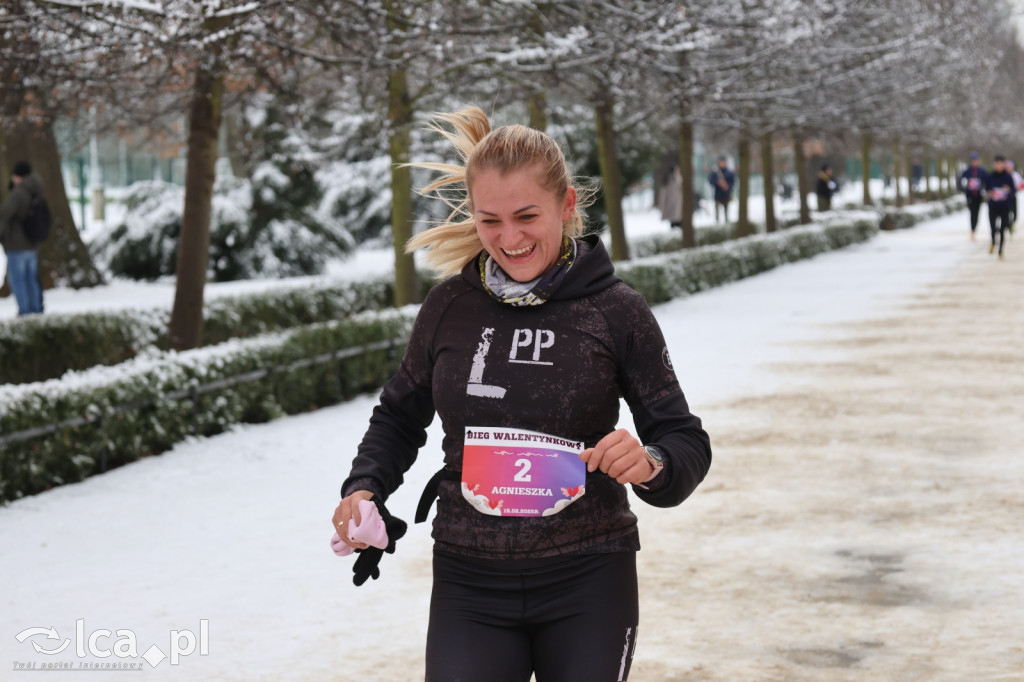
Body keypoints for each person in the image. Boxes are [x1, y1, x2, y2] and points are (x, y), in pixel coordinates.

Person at [331, 106, 712, 682]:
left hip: (589, 577)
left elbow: (684, 439)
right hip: (470, 580)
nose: (509, 238)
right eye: (490, 221)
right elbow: (398, 417)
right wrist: (364, 489)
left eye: (527, 215)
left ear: (566, 205)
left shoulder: (616, 312)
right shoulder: (448, 308)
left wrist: (652, 462)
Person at [0, 161, 45, 315]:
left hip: (16, 244)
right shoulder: (36, 190)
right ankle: (35, 309)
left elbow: (5, 214)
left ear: (18, 176)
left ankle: (25, 311)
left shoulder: (19, 193)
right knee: (31, 279)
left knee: (18, 281)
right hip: (31, 243)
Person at [984, 155, 1014, 258]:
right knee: (993, 227)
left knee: (1002, 229)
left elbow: (1013, 192)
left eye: (1001, 163)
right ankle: (993, 242)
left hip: (1004, 207)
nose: (999, 166)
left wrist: (1008, 191)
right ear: (994, 164)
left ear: (1004, 164)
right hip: (993, 206)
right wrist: (990, 193)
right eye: (997, 163)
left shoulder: (1008, 177)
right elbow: (986, 190)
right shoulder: (990, 176)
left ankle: (1001, 250)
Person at [958, 151, 988, 240]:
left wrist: (983, 188)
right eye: (973, 160)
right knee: (972, 212)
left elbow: (987, 181)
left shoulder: (982, 171)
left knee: (977, 213)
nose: (975, 162)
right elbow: (960, 179)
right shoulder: (967, 171)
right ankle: (972, 230)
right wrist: (963, 189)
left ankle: (974, 228)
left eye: (976, 160)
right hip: (970, 195)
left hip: (978, 195)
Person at [707, 156, 735, 223]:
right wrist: (718, 182)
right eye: (721, 162)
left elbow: (733, 182)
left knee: (726, 211)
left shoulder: (729, 172)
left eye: (723, 162)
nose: (722, 163)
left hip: (726, 194)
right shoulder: (715, 172)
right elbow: (711, 181)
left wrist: (727, 185)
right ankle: (717, 222)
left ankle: (726, 221)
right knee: (717, 211)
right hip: (718, 194)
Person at [658, 164, 683, 229]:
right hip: (672, 199)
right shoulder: (671, 178)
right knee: (674, 214)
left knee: (676, 214)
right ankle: (675, 225)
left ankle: (676, 224)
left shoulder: (673, 177)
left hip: (674, 199)